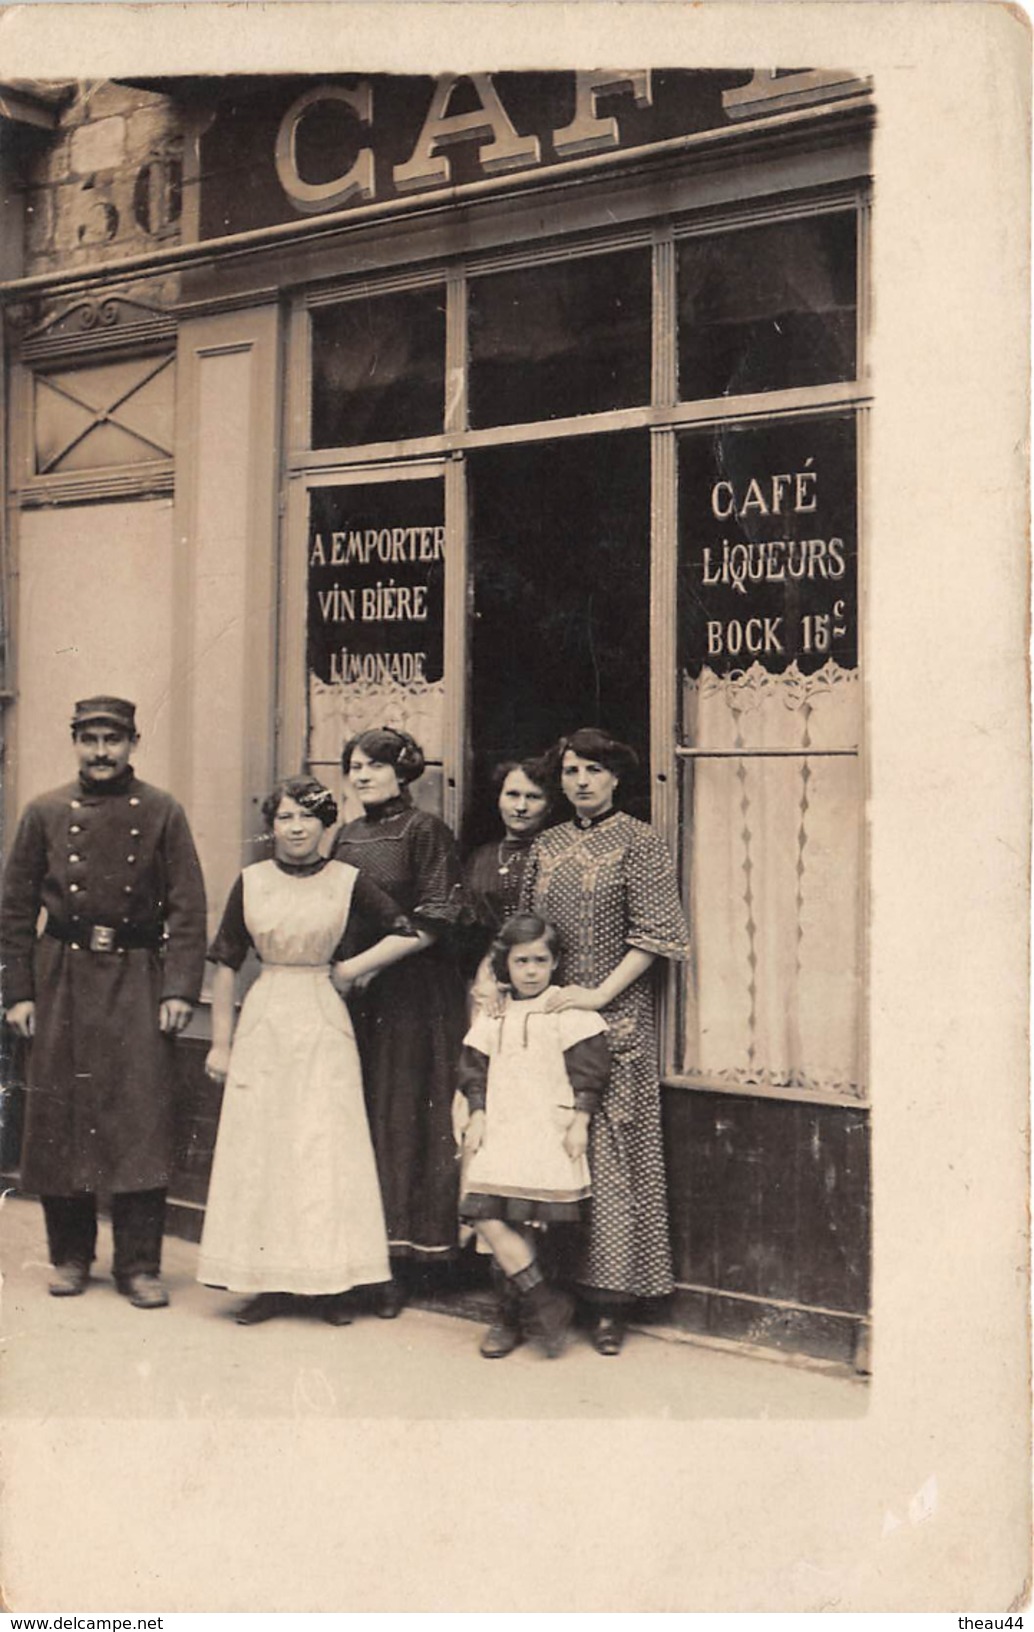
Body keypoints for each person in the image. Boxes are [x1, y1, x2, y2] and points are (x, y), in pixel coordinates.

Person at [0, 696, 207, 1309]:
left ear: (133, 743)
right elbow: (14, 913)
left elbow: (188, 907)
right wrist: (17, 993)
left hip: (138, 976)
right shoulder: (43, 812)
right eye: (89, 739)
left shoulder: (164, 811)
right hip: (60, 976)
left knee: (139, 1118)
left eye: (112, 740)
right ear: (74, 742)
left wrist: (178, 988)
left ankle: (139, 1266)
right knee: (62, 1118)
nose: (100, 752)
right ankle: (70, 1257)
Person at [197, 775, 421, 1326]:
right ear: (271, 826)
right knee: (264, 1148)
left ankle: (329, 1284)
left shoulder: (347, 880)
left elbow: (406, 930)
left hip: (322, 1014)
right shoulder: (250, 882)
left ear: (325, 826)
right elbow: (225, 963)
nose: (296, 828)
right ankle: (265, 1282)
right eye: (285, 818)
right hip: (267, 1016)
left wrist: (351, 968)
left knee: (323, 1147)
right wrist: (222, 1044)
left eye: (308, 818)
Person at [519, 727, 691, 1356]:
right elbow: (523, 934)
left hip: (615, 1019)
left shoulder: (641, 843)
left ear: (617, 778)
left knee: (610, 1153)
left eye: (593, 770)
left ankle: (611, 1303)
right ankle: (545, 1291)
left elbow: (656, 935)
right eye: (570, 772)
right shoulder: (547, 845)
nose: (582, 782)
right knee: (548, 1149)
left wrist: (597, 995)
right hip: (550, 1016)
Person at [331, 727, 469, 1314]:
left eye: (374, 766)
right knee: (358, 1116)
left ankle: (404, 1265)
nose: (362, 776)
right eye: (355, 766)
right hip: (357, 999)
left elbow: (435, 919)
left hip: (413, 995)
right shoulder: (345, 835)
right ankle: (358, 1257)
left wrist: (361, 966)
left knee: (404, 1118)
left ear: (403, 772)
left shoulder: (424, 831)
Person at [458, 912, 609, 1359]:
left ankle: (516, 1314)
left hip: (548, 1129)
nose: (530, 971)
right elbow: (474, 1068)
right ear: (506, 965)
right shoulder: (496, 1014)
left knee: (529, 1224)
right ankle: (544, 1301)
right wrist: (478, 1115)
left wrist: (580, 1121)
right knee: (483, 1212)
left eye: (540, 961)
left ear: (555, 962)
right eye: (521, 962)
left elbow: (589, 1073)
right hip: (501, 1129)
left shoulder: (567, 1009)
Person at [461, 758, 553, 971]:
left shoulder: (557, 855)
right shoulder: (480, 857)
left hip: (538, 971)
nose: (521, 807)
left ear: (549, 805)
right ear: (499, 798)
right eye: (512, 795)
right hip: (485, 972)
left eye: (533, 797)